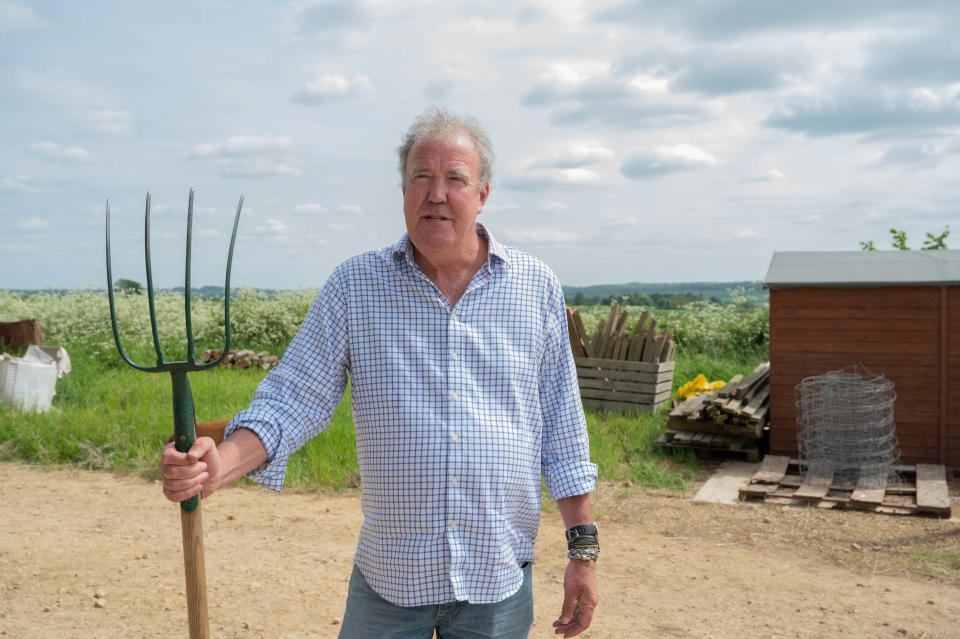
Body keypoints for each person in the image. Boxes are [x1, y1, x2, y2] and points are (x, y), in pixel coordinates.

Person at [159, 107, 599, 638]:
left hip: (497, 583)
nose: (436, 194)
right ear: (403, 190)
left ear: (482, 194)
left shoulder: (535, 287)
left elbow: (564, 431)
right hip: (391, 584)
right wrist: (216, 466)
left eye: (454, 179)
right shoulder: (356, 287)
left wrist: (584, 552)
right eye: (421, 178)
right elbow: (293, 398)